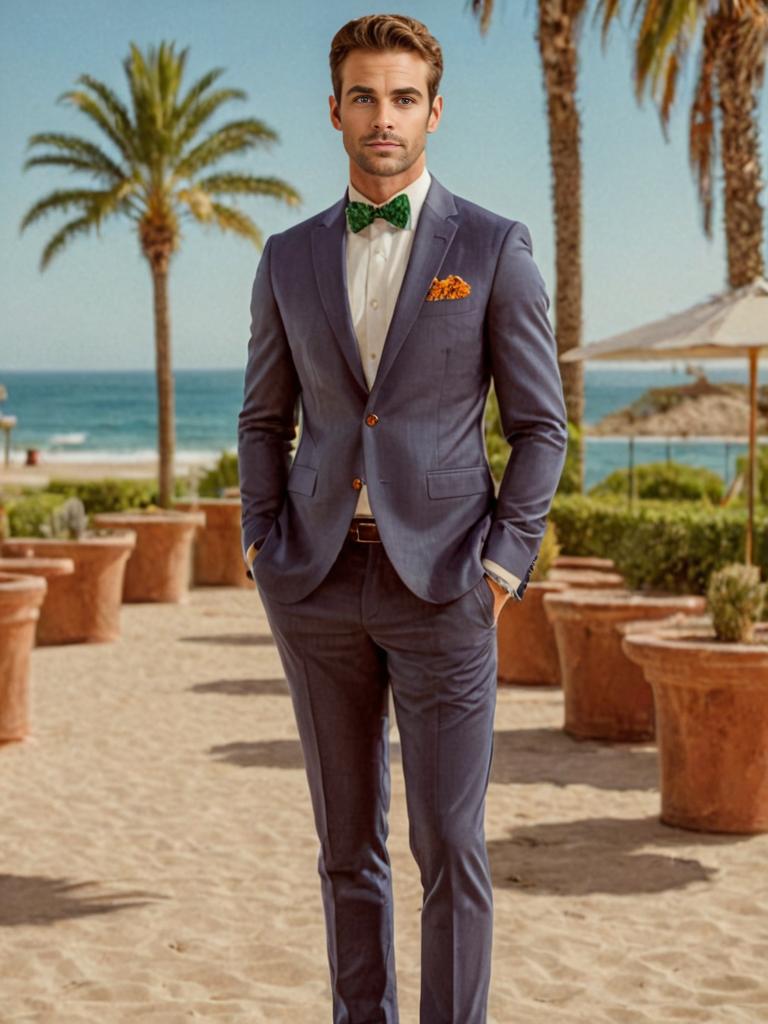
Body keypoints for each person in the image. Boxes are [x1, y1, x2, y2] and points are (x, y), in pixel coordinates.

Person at [237, 13, 568, 1023]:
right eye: (366, 97)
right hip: (320, 586)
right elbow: (263, 416)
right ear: (335, 110)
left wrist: (504, 563)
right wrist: (261, 541)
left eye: (405, 97)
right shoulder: (287, 257)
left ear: (435, 110)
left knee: (451, 846)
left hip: (448, 589)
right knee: (346, 843)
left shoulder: (495, 247)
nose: (385, 118)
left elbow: (541, 426)